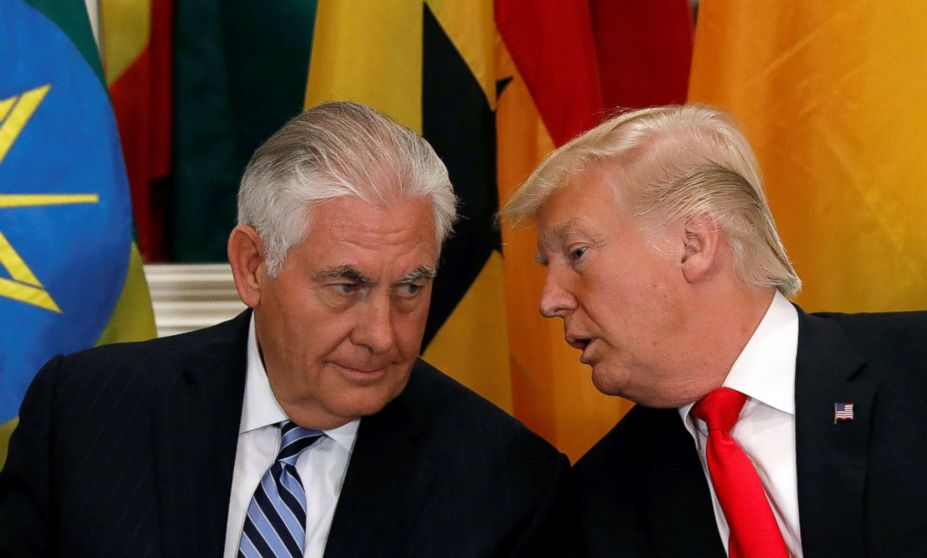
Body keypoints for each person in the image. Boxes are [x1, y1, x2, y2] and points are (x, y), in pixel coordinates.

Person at [0, 101, 568, 557]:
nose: (382, 335)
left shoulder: (506, 482)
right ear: (253, 267)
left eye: (410, 289)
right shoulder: (86, 411)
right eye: (346, 287)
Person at [502, 104, 927, 557]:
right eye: (548, 265)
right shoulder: (597, 500)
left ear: (692, 245)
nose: (550, 300)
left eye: (577, 254)